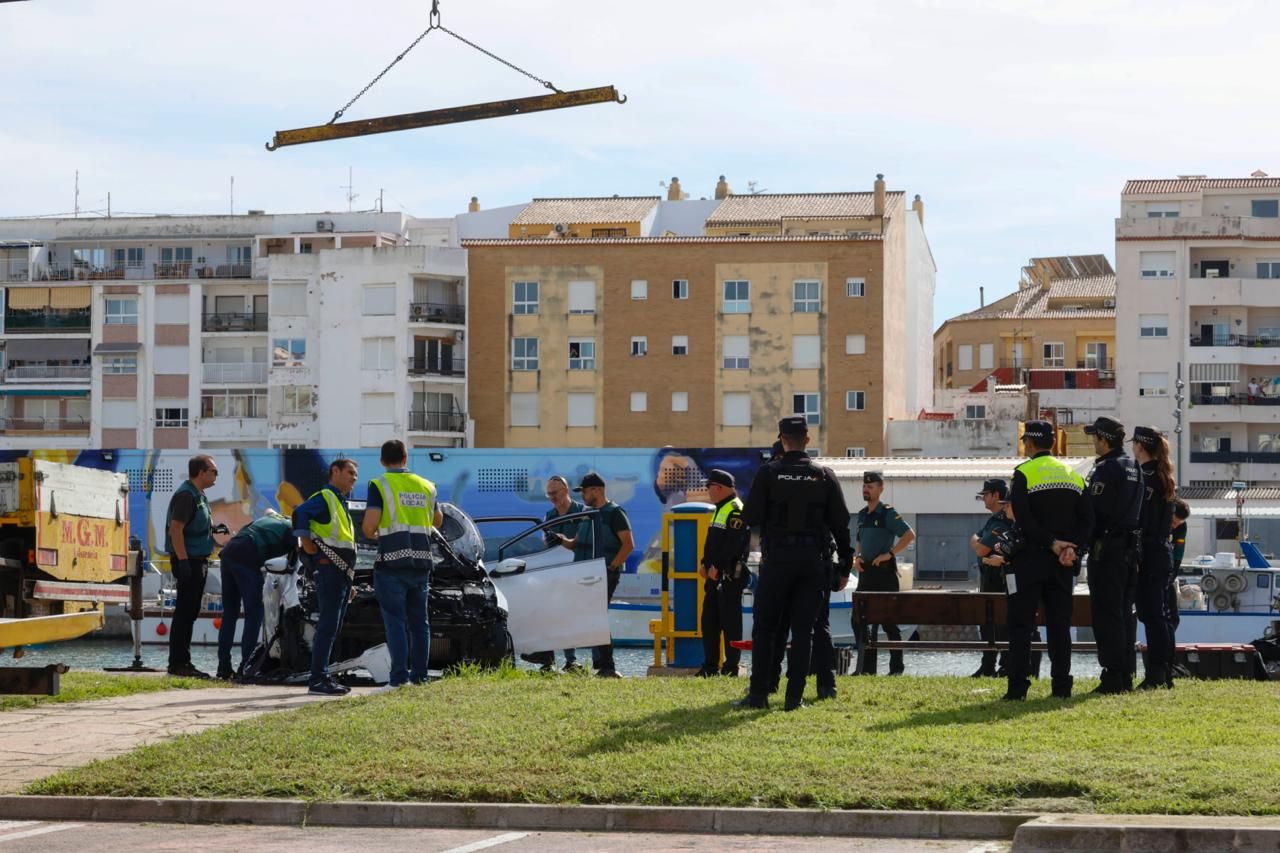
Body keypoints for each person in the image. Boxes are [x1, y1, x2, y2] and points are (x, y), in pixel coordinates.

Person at [738, 416, 853, 711]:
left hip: (777, 560)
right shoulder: (824, 475)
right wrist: (844, 565)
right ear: (808, 440)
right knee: (805, 631)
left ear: (782, 439)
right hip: (813, 561)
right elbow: (841, 525)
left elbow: (749, 517)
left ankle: (759, 695)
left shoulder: (769, 473)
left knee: (765, 628)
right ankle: (794, 699)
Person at [1005, 420, 1092, 701]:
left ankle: (1018, 687)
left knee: (1021, 625)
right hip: (1063, 564)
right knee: (1059, 625)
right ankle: (1061, 687)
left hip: (1030, 560)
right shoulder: (1073, 474)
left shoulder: (1023, 473)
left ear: (1028, 444)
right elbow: (1087, 519)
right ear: (1053, 443)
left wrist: (1051, 543)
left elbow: (1024, 520)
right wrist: (1071, 548)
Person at [362, 440, 441, 691]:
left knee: (395, 622)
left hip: (392, 563)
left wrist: (376, 533)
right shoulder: (427, 486)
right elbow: (437, 521)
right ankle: (420, 677)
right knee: (420, 623)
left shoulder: (380, 485)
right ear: (406, 458)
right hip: (421, 563)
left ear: (382, 461)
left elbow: (369, 526)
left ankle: (398, 679)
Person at [1084, 415, 1144, 694]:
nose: (1092, 443)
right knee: (1124, 613)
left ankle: (1113, 676)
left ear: (1104, 439)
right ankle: (1126, 673)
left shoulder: (1107, 469)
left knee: (1107, 614)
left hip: (1108, 550)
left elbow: (1094, 514)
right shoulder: (1135, 466)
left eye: (1094, 437)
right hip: (1131, 550)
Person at [293, 458, 359, 696]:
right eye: (350, 472)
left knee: (332, 626)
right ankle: (318, 679)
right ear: (335, 471)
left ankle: (323, 676)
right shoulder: (325, 498)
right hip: (329, 570)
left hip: (338, 573)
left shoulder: (340, 502)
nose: (354, 477)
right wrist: (306, 543)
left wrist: (348, 580)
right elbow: (299, 513)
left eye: (356, 474)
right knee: (328, 625)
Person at [522, 475, 592, 673]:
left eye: (555, 493)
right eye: (549, 494)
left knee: (567, 614)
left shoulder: (582, 512)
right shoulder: (549, 515)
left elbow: (580, 540)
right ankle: (549, 659)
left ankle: (571, 660)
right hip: (554, 570)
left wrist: (563, 540)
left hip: (577, 569)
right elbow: (545, 543)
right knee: (550, 612)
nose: (552, 497)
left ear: (566, 491)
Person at [216, 510, 295, 680]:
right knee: (255, 613)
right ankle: (247, 667)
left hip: (229, 550)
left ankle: (223, 667)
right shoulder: (293, 532)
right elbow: (295, 563)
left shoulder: (273, 518)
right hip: (247, 555)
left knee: (230, 613)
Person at [165, 455, 223, 678]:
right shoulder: (186, 495)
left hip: (198, 559)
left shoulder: (199, 495)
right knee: (184, 613)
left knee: (190, 613)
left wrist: (214, 529)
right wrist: (183, 561)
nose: (216, 475)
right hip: (189, 561)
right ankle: (179, 663)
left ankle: (183, 661)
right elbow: (176, 529)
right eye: (213, 471)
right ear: (201, 472)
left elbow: (192, 525)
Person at [854, 471, 916, 675]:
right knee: (859, 621)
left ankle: (896, 668)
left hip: (884, 574)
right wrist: (857, 557)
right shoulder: (863, 514)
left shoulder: (887, 513)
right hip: (866, 572)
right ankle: (865, 667)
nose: (866, 489)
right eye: (864, 486)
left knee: (889, 622)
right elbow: (860, 540)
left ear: (881, 489)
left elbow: (909, 535)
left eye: (870, 486)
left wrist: (890, 554)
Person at [1132, 426, 1177, 690]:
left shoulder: (1144, 478)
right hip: (1162, 551)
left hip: (1148, 553)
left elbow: (1141, 520)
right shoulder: (1164, 476)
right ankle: (1164, 671)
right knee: (1159, 615)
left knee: (1152, 616)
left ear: (1140, 446)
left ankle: (1157, 673)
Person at [576, 472, 634, 678]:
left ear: (597, 490)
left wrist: (612, 567)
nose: (582, 495)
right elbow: (577, 543)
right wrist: (561, 540)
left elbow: (628, 544)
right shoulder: (588, 513)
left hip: (603, 574)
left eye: (584, 491)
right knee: (592, 617)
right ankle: (601, 665)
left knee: (597, 617)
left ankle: (608, 666)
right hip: (585, 574)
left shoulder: (614, 513)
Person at [697, 469, 750, 677]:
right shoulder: (720, 508)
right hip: (714, 576)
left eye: (709, 487)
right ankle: (710, 667)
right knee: (709, 622)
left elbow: (733, 544)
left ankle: (731, 667)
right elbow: (713, 542)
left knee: (730, 623)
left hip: (728, 575)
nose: (707, 491)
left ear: (718, 488)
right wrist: (705, 563)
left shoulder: (735, 509)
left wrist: (717, 566)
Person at [970, 478, 1013, 678]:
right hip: (988, 579)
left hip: (1000, 579)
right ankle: (987, 665)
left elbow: (979, 547)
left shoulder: (1003, 520)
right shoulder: (993, 519)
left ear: (996, 495)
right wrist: (978, 542)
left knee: (1002, 624)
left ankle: (1005, 665)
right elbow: (976, 540)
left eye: (986, 494)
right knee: (986, 623)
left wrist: (978, 543)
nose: (983, 498)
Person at [1169, 499, 1190, 656]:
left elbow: (1179, 552)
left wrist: (1172, 573)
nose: (1174, 526)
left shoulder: (1181, 527)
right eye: (1173, 522)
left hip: (1168, 572)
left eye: (1178, 524)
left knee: (1173, 617)